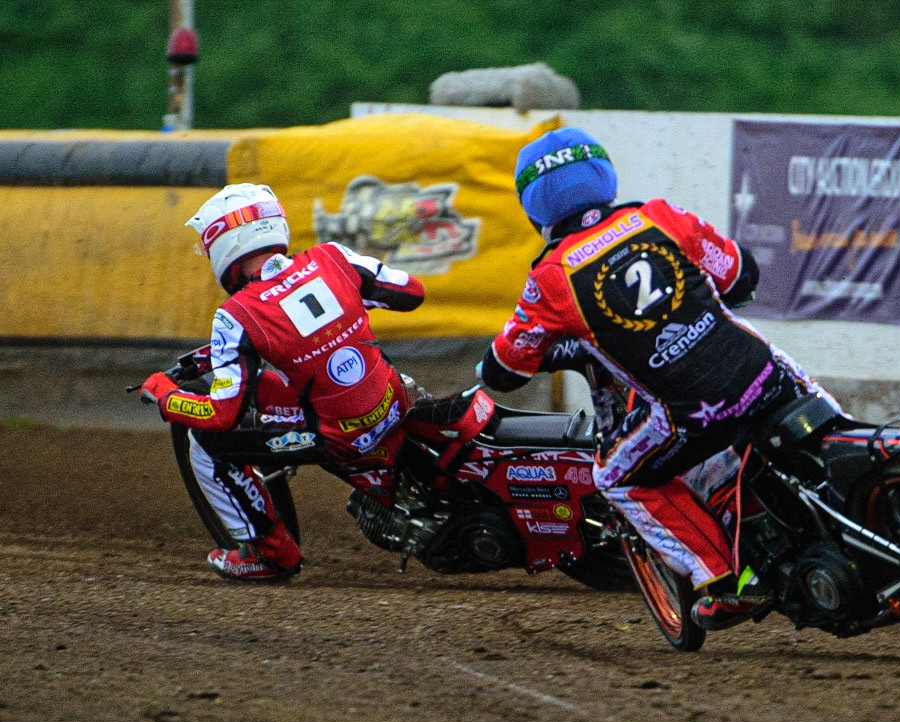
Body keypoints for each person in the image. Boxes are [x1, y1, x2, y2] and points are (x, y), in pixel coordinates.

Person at [478, 128, 843, 630]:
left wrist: (490, 366)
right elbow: (740, 276)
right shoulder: (658, 216)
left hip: (694, 416)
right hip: (764, 372)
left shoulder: (550, 278)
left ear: (533, 208)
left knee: (614, 475)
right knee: (833, 425)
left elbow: (507, 369)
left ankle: (724, 578)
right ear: (603, 176)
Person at [140, 183, 426, 581]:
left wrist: (168, 397)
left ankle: (272, 556)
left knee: (205, 443)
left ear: (224, 245)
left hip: (337, 436)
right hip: (394, 402)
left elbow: (223, 414)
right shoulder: (332, 257)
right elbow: (411, 292)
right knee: (273, 387)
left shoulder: (235, 314)